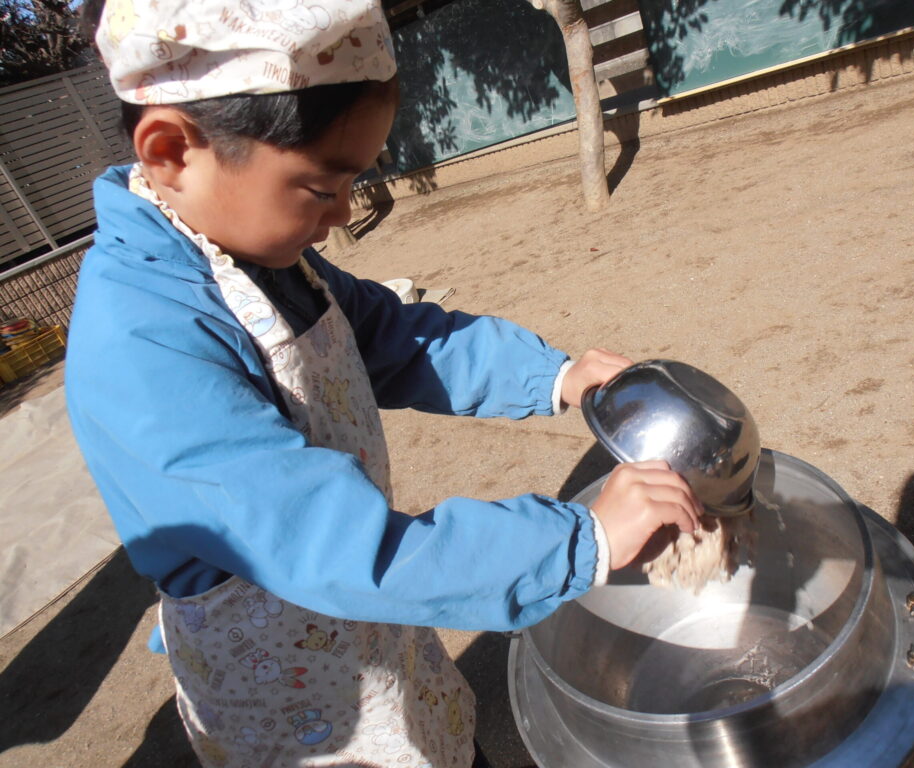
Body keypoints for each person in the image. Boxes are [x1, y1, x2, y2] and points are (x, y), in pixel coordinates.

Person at [67, 2, 703, 766]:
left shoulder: (257, 255)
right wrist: (582, 537)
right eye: (319, 187)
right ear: (172, 150)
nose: (342, 215)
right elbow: (328, 544)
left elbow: (401, 338)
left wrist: (556, 375)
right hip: (289, 697)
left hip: (369, 626)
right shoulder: (143, 344)